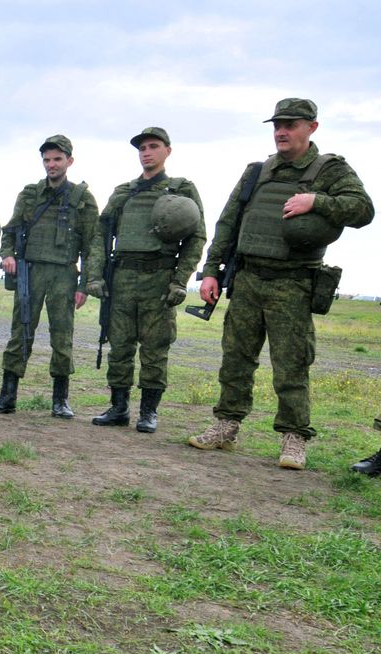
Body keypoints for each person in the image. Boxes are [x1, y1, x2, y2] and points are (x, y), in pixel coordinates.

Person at [188, 98, 374, 469]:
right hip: (248, 279)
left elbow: (363, 209)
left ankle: (293, 438)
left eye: (291, 124)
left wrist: (316, 201)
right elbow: (229, 222)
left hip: (293, 283)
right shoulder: (257, 171)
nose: (281, 131)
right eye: (277, 125)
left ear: (312, 127)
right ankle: (226, 425)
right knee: (236, 358)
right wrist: (211, 270)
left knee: (291, 364)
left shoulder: (330, 170)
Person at [91, 127, 206, 433]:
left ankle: (148, 412)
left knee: (155, 347)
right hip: (123, 277)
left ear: (168, 150)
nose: (146, 152)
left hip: (159, 276)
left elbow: (196, 238)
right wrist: (95, 275)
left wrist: (180, 280)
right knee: (120, 344)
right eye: (142, 148)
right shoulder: (124, 192)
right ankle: (118, 408)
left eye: (153, 146)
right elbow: (100, 235)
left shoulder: (181, 190)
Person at [0, 135, 101, 418]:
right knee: (20, 332)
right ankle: (7, 395)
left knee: (62, 336)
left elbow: (92, 244)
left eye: (57, 159)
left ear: (69, 161)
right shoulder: (29, 194)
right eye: (47, 160)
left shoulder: (82, 198)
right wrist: (7, 255)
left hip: (64, 273)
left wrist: (85, 284)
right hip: (30, 271)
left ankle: (60, 400)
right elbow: (10, 231)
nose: (51, 164)